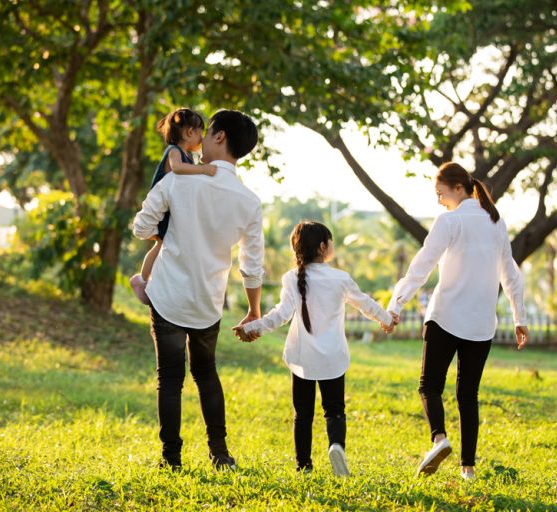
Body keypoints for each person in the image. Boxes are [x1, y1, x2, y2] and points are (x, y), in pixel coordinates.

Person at [132, 109, 263, 470]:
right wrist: (253, 311)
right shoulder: (249, 201)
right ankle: (220, 453)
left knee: (170, 379)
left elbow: (142, 229)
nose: (200, 139)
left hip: (169, 297)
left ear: (219, 137)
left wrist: (166, 231)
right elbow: (251, 267)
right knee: (206, 375)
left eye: (207, 133)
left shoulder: (178, 179)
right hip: (208, 303)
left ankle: (171, 458)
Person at [386, 162, 529, 481]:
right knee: (468, 396)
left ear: (457, 188)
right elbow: (511, 274)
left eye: (440, 193)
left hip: (445, 317)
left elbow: (420, 267)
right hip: (480, 325)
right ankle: (468, 469)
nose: (438, 200)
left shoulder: (449, 220)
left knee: (429, 386)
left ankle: (439, 439)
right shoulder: (496, 222)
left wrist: (395, 305)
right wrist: (520, 317)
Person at [234, 221, 395, 477]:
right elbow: (365, 304)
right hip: (333, 357)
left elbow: (281, 315)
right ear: (323, 247)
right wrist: (386, 320)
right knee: (335, 410)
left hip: (302, 358)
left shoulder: (290, 278)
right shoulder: (340, 279)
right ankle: (336, 446)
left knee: (303, 414)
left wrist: (255, 328)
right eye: (330, 241)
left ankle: (304, 465)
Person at [130, 108, 218, 304]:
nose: (202, 139)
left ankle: (148, 281)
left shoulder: (188, 156)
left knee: (164, 244)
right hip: (161, 210)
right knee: (161, 244)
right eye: (200, 133)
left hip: (171, 210)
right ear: (189, 132)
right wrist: (203, 170)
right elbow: (177, 169)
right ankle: (142, 280)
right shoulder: (175, 152)